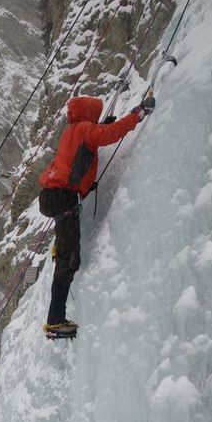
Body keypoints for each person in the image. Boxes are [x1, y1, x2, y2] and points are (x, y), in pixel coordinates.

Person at [38, 93, 155, 336]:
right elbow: (106, 136)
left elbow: (79, 152)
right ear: (90, 114)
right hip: (64, 197)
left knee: (65, 250)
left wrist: (101, 126)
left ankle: (60, 249)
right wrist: (138, 114)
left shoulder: (71, 130)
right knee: (69, 260)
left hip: (51, 195)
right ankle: (55, 321)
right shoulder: (85, 130)